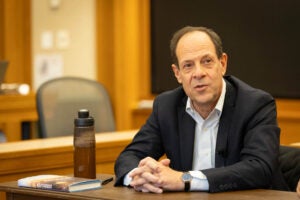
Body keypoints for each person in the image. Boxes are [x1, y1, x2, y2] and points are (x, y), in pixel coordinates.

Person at [114, 26, 288, 193]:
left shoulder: (256, 104)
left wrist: (184, 179)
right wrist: (139, 178)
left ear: (223, 63)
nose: (198, 73)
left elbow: (260, 168)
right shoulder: (166, 106)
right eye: (188, 65)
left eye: (207, 61)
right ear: (177, 73)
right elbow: (129, 157)